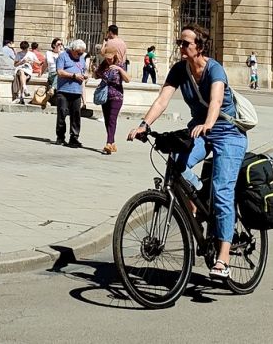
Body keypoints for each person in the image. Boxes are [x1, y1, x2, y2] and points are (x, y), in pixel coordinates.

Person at [128, 23, 247, 280]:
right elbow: (162, 99)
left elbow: (215, 100)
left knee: (223, 190)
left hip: (227, 132)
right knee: (177, 163)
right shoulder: (180, 70)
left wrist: (209, 123)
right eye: (179, 43)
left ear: (199, 47)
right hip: (200, 130)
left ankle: (223, 259)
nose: (180, 47)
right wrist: (143, 125)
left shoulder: (215, 69)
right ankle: (197, 201)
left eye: (185, 43)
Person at [95, 46, 131, 154]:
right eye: (107, 58)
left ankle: (109, 143)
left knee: (112, 118)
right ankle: (113, 142)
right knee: (107, 119)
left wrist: (119, 69)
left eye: (110, 58)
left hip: (117, 96)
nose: (108, 59)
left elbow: (128, 79)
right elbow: (96, 75)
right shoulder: (104, 65)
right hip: (105, 96)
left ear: (115, 56)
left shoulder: (120, 64)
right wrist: (95, 71)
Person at [55, 39, 88, 147]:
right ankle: (60, 137)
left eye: (82, 53)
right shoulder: (63, 56)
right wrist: (73, 75)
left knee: (76, 116)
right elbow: (59, 72)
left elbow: (84, 72)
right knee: (62, 114)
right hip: (64, 91)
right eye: (78, 53)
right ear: (73, 49)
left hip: (77, 91)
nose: (80, 55)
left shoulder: (82, 59)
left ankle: (74, 137)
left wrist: (85, 76)